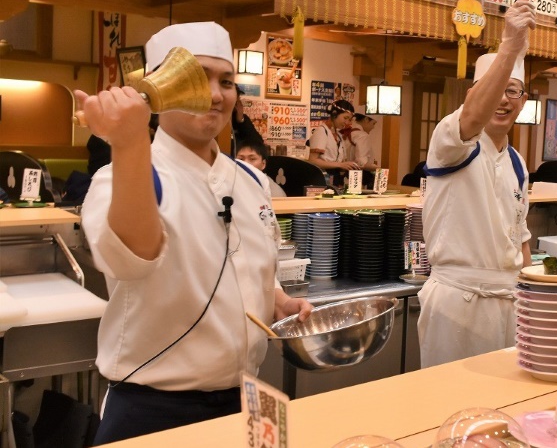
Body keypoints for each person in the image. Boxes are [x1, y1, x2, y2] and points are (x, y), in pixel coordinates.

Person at [77, 22, 311, 444]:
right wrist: (129, 143)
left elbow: (249, 259)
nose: (216, 94)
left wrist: (279, 301)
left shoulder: (252, 181)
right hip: (153, 406)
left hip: (246, 396)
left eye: (226, 81)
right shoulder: (121, 177)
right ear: (156, 90)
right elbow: (131, 259)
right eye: (196, 76)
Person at [417, 0, 536, 368]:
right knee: (447, 413)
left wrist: (537, 300)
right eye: (493, 89)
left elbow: (521, 238)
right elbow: (473, 116)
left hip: (511, 303)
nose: (503, 99)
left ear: (524, 101)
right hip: (458, 303)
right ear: (474, 94)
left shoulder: (518, 164)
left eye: (513, 91)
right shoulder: (452, 142)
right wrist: (509, 47)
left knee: (503, 415)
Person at [307, 99, 360, 186]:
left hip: (335, 179)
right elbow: (313, 161)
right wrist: (340, 165)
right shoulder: (322, 131)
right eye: (345, 118)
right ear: (334, 114)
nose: (346, 122)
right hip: (322, 179)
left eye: (349, 119)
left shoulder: (338, 135)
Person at [342, 113, 379, 188]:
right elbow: (361, 163)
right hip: (357, 180)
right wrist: (379, 169)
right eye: (373, 123)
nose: (373, 127)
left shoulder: (346, 132)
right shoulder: (362, 135)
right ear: (366, 119)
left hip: (343, 178)